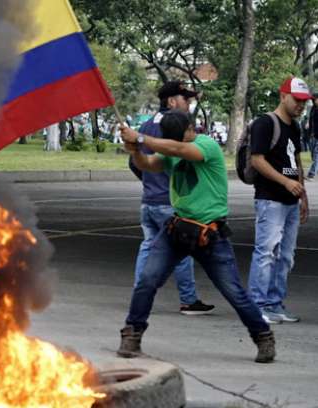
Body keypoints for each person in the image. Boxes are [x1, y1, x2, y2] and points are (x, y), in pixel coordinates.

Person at [117, 111, 275, 363]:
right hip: (177, 228)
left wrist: (140, 138)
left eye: (179, 138)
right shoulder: (173, 149)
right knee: (147, 279)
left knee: (233, 291)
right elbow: (148, 165)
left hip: (209, 233)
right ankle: (132, 334)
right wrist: (135, 150)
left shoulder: (207, 145)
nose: (176, 142)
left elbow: (180, 150)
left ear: (192, 129)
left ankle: (263, 335)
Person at [130, 80, 214, 315]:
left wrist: (149, 180)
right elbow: (182, 156)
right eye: (185, 100)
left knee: (148, 246)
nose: (188, 104)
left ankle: (140, 293)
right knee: (182, 249)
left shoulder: (145, 126)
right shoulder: (174, 128)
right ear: (172, 101)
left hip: (149, 200)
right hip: (170, 200)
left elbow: (134, 162)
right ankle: (188, 299)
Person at [247, 77, 312, 324]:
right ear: (282, 95)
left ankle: (275, 303)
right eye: (297, 100)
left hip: (290, 201)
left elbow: (296, 162)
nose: (301, 106)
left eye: (304, 103)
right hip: (270, 199)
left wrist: (302, 194)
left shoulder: (294, 127)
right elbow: (257, 160)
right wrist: (285, 182)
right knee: (266, 252)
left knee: (286, 255)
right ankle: (258, 304)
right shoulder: (265, 123)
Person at [307, 96, 318, 180]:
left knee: (316, 154)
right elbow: (311, 122)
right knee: (312, 154)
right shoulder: (313, 109)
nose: (314, 101)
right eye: (313, 100)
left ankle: (312, 173)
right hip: (313, 135)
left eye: (315, 99)